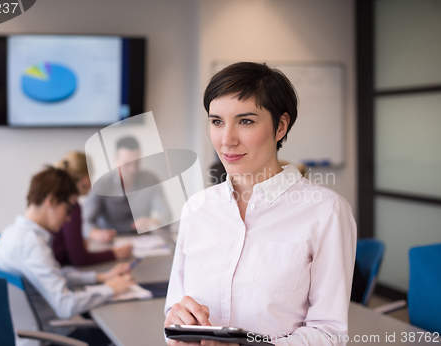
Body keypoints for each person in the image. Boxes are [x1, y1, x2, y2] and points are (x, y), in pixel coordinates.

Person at [164, 62, 356, 346]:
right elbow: (174, 312)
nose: (226, 140)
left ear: (280, 126)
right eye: (216, 121)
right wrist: (176, 328)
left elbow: (329, 333)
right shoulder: (197, 208)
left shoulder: (325, 212)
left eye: (245, 121)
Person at [0, 166, 135, 345]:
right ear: (51, 201)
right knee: (122, 329)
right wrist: (111, 289)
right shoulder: (32, 245)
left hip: (32, 331)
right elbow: (66, 306)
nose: (69, 219)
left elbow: (56, 273)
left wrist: (101, 277)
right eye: (68, 209)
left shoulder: (12, 233)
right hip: (50, 338)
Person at [84, 136, 171, 242]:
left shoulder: (151, 180)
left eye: (137, 163)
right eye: (127, 164)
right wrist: (96, 234)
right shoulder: (102, 185)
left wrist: (153, 221)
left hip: (143, 242)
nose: (133, 169)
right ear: (116, 161)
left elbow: (167, 215)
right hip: (111, 242)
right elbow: (85, 221)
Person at [52, 151, 133, 266]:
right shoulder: (71, 208)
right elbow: (80, 259)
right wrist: (115, 253)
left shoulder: (60, 201)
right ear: (85, 179)